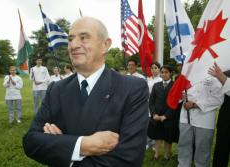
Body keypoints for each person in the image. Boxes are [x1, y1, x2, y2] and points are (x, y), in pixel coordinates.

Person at [23, 17, 149, 167]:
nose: (74, 45)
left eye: (83, 38)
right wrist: (83, 145)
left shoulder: (132, 88)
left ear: (105, 45)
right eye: (70, 39)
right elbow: (31, 141)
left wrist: (61, 147)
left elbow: (128, 159)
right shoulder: (56, 89)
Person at [177, 67, 227, 167]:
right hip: (185, 118)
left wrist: (195, 104)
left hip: (204, 120)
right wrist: (179, 97)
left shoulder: (213, 76)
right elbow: (179, 95)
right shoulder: (186, 76)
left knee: (202, 150)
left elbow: (218, 99)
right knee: (183, 146)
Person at [147, 65, 175, 160]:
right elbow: (151, 102)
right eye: (162, 72)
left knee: (168, 137)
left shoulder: (175, 85)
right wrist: (154, 114)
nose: (163, 74)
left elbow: (175, 103)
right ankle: (157, 154)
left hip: (168, 116)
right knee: (158, 136)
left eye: (166, 72)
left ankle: (167, 155)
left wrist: (166, 116)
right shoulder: (156, 85)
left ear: (171, 73)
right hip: (157, 115)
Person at [208, 62, 230, 167]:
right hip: (226, 115)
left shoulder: (223, 73)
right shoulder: (226, 69)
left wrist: (222, 77)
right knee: (221, 148)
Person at [146, 62, 162, 150]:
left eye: (156, 68)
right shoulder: (148, 79)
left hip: (156, 104)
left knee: (154, 125)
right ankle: (148, 142)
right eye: (152, 68)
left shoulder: (160, 80)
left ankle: (154, 144)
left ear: (159, 69)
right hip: (147, 103)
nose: (153, 70)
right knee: (147, 124)